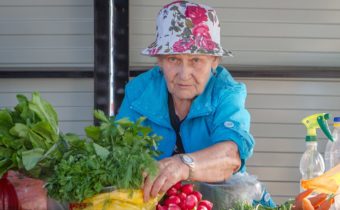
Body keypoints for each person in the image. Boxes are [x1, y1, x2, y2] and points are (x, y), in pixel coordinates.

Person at [116, 0, 255, 203]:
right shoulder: (140, 92)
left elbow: (230, 156)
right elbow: (118, 152)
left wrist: (184, 164)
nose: (184, 74)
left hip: (218, 203)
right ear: (160, 61)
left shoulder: (226, 92)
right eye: (173, 59)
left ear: (214, 61)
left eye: (196, 60)